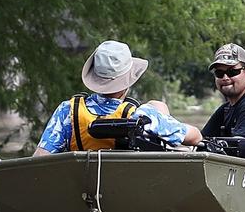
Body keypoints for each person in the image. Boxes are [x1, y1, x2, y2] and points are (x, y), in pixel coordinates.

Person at [34, 40, 202, 155]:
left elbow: (40, 159)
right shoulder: (143, 116)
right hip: (127, 193)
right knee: (158, 105)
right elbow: (195, 137)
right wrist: (162, 114)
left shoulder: (68, 110)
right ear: (128, 81)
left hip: (83, 192)